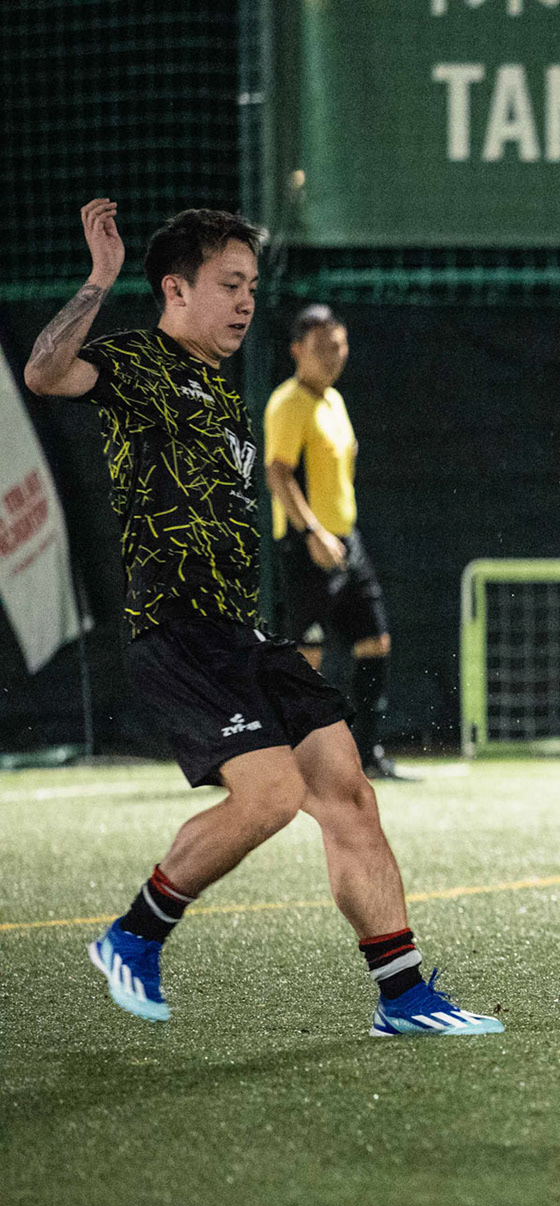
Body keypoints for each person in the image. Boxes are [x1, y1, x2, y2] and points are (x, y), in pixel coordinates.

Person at [22, 201, 500, 1038]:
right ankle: (134, 934)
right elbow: (44, 374)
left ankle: (404, 996)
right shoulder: (137, 361)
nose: (247, 302)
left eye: (251, 286)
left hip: (242, 635)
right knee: (274, 794)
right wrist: (100, 279)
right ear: (175, 288)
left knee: (349, 794)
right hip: (178, 632)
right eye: (229, 284)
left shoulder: (227, 395)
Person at [264, 303, 406, 780]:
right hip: (306, 548)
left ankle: (366, 754)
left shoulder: (334, 402)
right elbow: (277, 474)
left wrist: (338, 534)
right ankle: (293, 764)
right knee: (309, 657)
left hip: (347, 543)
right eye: (322, 347)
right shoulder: (288, 403)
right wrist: (311, 532)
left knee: (374, 642)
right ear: (296, 351)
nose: (333, 355)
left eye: (340, 345)